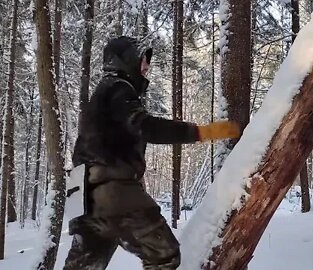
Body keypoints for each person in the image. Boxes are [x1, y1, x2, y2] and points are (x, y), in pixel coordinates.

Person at [63, 36, 240, 270]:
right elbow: (145, 126)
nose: (146, 68)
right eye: (141, 61)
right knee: (164, 255)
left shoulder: (102, 95)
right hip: (111, 191)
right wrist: (200, 132)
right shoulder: (118, 89)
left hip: (83, 197)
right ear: (124, 61)